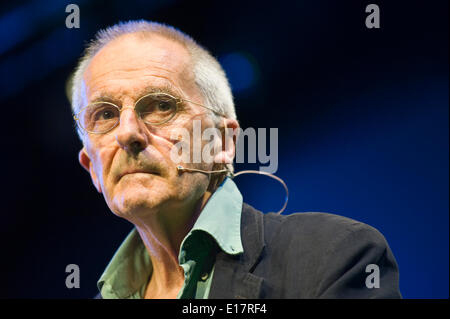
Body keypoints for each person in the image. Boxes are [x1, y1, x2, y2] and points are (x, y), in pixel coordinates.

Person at [70, 20, 401, 299]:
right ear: (92, 169)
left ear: (223, 142)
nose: (128, 133)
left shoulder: (336, 256)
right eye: (104, 115)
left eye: (161, 105)